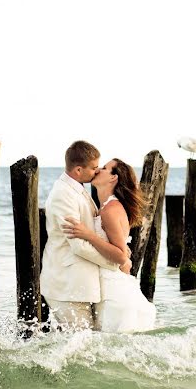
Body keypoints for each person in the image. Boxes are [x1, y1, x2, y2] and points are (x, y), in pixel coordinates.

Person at [40, 141, 131, 330]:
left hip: (84, 284)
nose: (97, 171)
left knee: (89, 346)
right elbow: (79, 245)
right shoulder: (63, 194)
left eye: (100, 168)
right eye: (94, 168)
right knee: (78, 346)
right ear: (79, 170)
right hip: (67, 284)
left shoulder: (79, 189)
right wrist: (116, 263)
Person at [63, 158, 157, 333]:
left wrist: (88, 235)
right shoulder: (107, 207)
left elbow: (121, 256)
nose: (98, 169)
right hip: (107, 285)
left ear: (113, 178)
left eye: (105, 168)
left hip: (113, 290)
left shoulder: (110, 210)